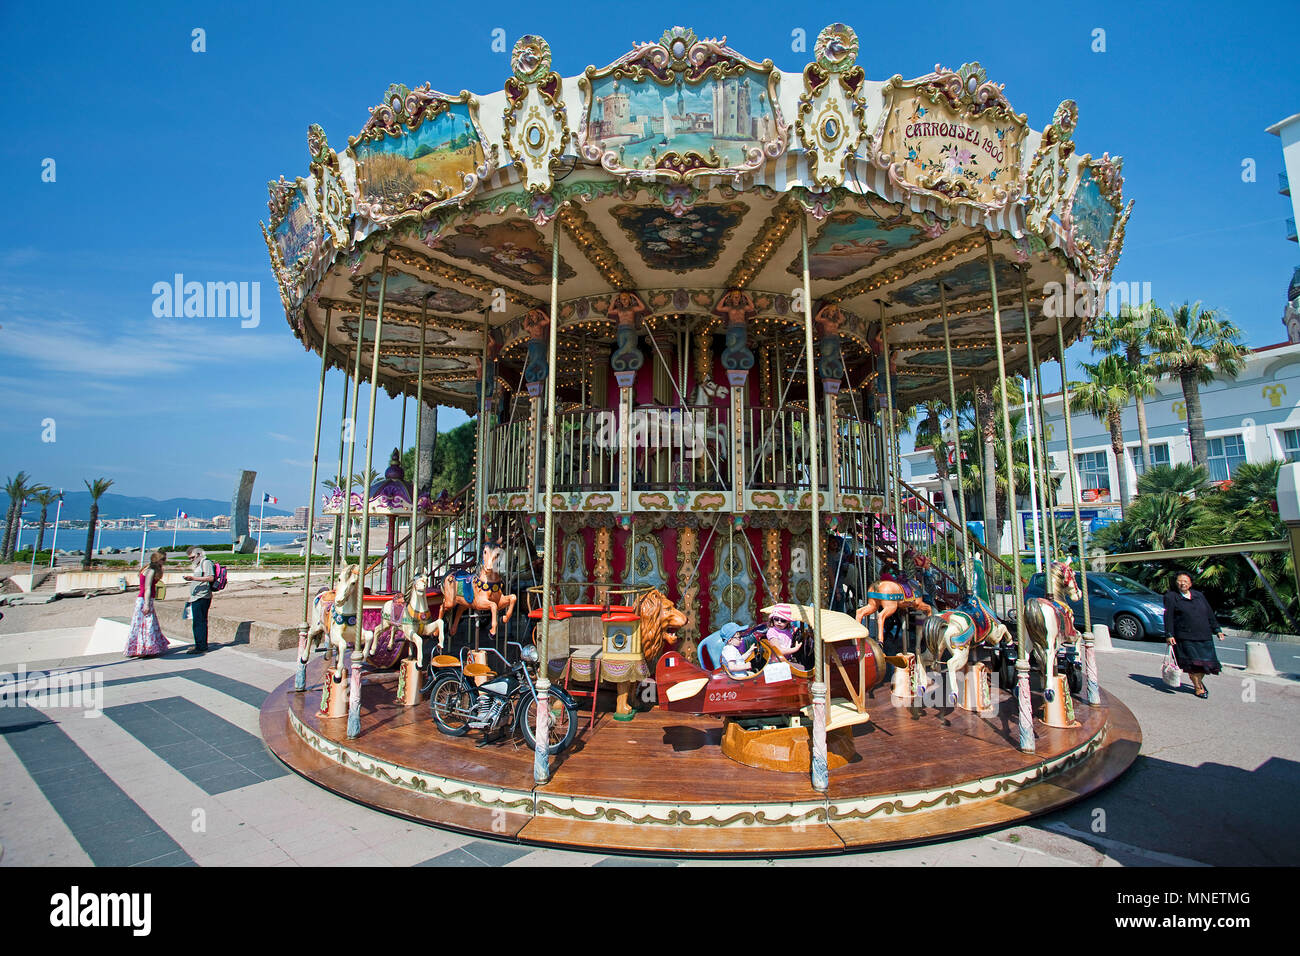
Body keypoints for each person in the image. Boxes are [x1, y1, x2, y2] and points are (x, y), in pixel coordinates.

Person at [1163, 569, 1224, 698]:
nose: (1182, 584)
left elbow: (1209, 613)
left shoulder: (1199, 595)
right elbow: (1168, 616)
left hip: (1204, 635)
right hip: (1185, 637)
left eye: (1185, 581)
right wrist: (1169, 634)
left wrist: (1217, 629)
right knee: (1194, 665)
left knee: (1207, 665)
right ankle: (1198, 687)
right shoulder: (1171, 597)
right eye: (1179, 581)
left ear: (1190, 584)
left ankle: (1196, 679)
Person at [125, 550, 170, 657]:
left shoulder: (146, 568)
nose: (164, 562)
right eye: (163, 559)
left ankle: (140, 648)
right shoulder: (151, 570)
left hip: (143, 599)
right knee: (147, 624)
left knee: (140, 624)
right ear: (158, 559)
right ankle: (147, 648)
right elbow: (147, 588)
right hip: (145, 599)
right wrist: (146, 603)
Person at [183, 547, 216, 655]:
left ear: (198, 554)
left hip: (202, 596)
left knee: (199, 621)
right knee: (197, 621)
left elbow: (211, 578)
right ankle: (199, 644)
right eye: (190, 558)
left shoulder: (206, 563)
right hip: (196, 596)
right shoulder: (198, 564)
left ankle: (201, 646)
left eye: (192, 557)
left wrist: (193, 579)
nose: (191, 560)